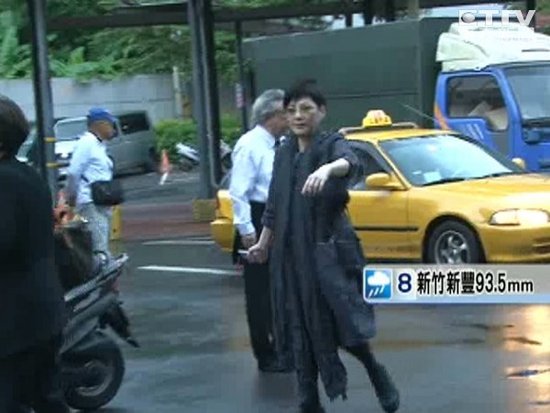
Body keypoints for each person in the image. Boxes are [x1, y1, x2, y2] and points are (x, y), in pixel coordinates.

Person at [248, 80, 400, 413]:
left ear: (321, 111)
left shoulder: (332, 144)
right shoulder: (284, 152)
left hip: (327, 256)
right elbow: (274, 205)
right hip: (290, 258)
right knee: (298, 328)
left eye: (306, 109)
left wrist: (328, 169)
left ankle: (375, 371)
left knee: (342, 326)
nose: (298, 116)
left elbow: (350, 162)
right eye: (291, 110)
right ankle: (309, 401)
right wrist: (262, 243)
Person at [0, 95, 70, 412]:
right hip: (41, 311)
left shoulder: (4, 180)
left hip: (15, 319)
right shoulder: (27, 175)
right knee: (46, 398)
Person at [229, 89, 292, 372]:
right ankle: (265, 354)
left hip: (280, 217)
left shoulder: (282, 144)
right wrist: (247, 231)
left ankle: (284, 346)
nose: (290, 119)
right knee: (259, 292)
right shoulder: (250, 145)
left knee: (282, 288)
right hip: (256, 218)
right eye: (285, 114)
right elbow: (239, 192)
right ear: (270, 116)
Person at [66, 107, 118, 258]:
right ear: (99, 124)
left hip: (100, 202)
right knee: (98, 246)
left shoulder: (99, 144)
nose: (113, 129)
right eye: (110, 124)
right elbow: (73, 172)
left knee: (101, 242)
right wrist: (72, 196)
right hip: (90, 202)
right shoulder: (86, 143)